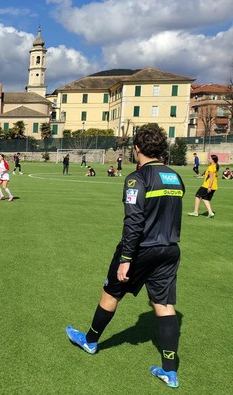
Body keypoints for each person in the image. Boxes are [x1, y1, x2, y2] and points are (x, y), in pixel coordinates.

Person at [66, 125, 185, 389]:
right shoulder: (175, 177)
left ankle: (90, 341)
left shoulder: (136, 179)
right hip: (170, 250)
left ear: (137, 148)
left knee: (111, 293)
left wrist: (126, 258)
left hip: (141, 249)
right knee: (164, 305)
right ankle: (169, 371)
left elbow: (134, 221)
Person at [188, 154, 219, 218]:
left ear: (213, 160)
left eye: (209, 158)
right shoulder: (215, 166)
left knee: (197, 195)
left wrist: (209, 187)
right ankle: (210, 212)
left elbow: (211, 178)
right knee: (205, 198)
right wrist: (204, 176)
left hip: (207, 185)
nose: (208, 159)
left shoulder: (211, 167)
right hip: (214, 186)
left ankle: (195, 212)